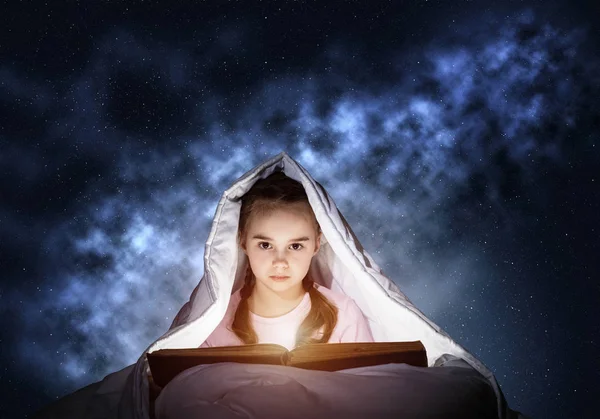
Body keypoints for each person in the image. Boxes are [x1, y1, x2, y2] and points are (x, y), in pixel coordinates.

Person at [200, 171, 374, 350]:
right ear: (243, 241)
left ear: (316, 244)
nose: (280, 263)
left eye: (296, 246)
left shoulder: (343, 315)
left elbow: (365, 376)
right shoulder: (213, 324)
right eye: (266, 245)